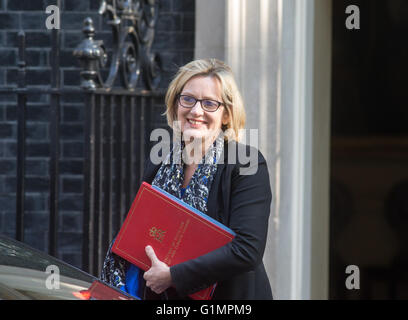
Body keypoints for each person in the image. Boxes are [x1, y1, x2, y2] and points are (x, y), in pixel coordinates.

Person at [101, 58, 273, 300]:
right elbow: (143, 234)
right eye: (188, 99)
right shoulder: (161, 161)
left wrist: (174, 275)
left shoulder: (246, 162)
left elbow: (247, 250)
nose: (196, 111)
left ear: (226, 115)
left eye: (210, 103)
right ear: (176, 104)